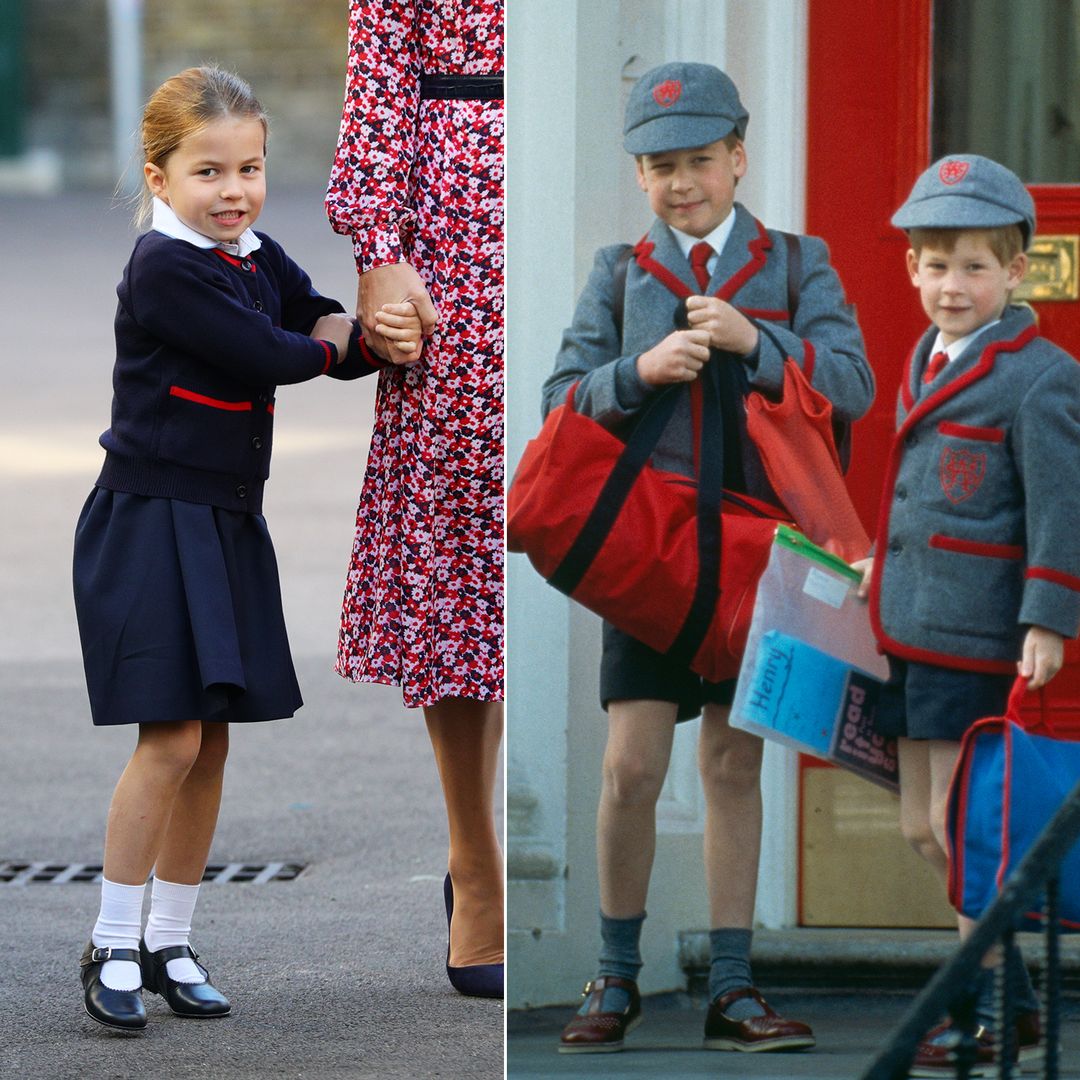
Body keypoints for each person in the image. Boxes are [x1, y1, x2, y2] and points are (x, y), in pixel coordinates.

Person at [73, 65, 421, 1032]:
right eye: (209, 172)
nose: (234, 191)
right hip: (150, 519)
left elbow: (306, 309)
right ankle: (110, 940)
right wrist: (367, 345)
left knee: (212, 740)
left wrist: (359, 332)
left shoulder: (251, 252)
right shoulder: (164, 268)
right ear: (160, 176)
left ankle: (169, 940)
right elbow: (273, 349)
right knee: (171, 737)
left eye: (251, 168)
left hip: (225, 521)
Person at [544, 61, 873, 1054]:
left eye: (699, 159)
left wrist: (757, 340)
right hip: (650, 556)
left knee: (733, 761)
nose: (681, 181)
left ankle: (734, 986)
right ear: (640, 177)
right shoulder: (618, 270)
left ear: (737, 158)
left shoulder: (798, 263)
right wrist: (635, 372)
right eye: (659, 166)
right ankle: (616, 973)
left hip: (761, 550)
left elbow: (851, 384)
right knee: (631, 766)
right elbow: (560, 398)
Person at [854, 154, 1080, 1076]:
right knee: (923, 828)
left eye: (975, 267)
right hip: (908, 624)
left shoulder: (1040, 376)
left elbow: (1062, 507)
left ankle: (985, 1006)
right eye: (936, 265)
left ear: (1017, 271)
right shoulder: (925, 356)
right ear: (912, 268)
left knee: (964, 835)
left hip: (979, 632)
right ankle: (1014, 1000)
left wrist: (1049, 619)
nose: (953, 285)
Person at [325, 2, 505, 999]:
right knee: (452, 552)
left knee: (554, 524)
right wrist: (379, 253)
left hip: (571, 206)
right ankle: (474, 863)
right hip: (450, 233)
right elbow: (379, 81)